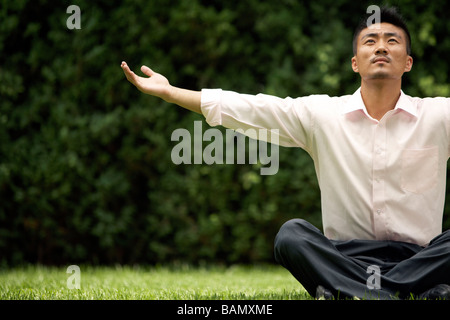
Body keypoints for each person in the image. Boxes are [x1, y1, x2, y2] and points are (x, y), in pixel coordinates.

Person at [121, 6, 450, 300]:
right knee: (291, 235)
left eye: (392, 40)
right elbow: (254, 109)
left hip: (418, 257)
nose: (380, 46)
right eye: (370, 41)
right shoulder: (322, 115)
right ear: (354, 62)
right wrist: (170, 92)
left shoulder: (438, 116)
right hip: (344, 257)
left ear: (408, 62)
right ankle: (414, 292)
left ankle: (353, 292)